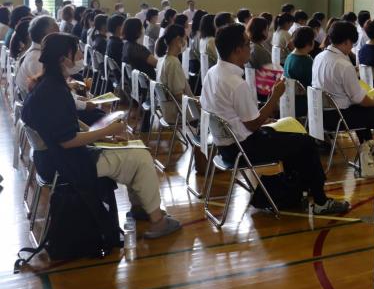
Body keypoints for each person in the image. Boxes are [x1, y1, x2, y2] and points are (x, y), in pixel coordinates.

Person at [22, 33, 181, 238]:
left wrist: (104, 138)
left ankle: (142, 207)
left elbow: (67, 126)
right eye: (76, 51)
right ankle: (157, 220)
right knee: (141, 157)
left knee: (136, 151)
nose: (81, 54)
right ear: (64, 59)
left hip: (52, 158)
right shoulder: (54, 91)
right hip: (66, 163)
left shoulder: (45, 85)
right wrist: (107, 131)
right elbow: (68, 140)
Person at [201, 24, 349, 215]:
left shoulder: (213, 73)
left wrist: (264, 119)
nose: (250, 48)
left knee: (292, 140)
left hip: (225, 145)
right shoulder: (236, 83)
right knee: (306, 143)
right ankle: (320, 201)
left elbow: (237, 117)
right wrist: (274, 96)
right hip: (243, 147)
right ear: (237, 49)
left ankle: (295, 194)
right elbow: (252, 124)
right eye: (247, 44)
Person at [312, 21, 374, 175]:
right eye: (350, 44)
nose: (351, 48)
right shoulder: (343, 64)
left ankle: (369, 148)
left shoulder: (320, 57)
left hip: (320, 115)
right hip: (339, 118)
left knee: (366, 110)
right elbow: (358, 98)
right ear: (346, 41)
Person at [155, 25, 193, 124]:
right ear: (178, 40)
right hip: (176, 112)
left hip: (166, 109)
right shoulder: (173, 62)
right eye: (185, 38)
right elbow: (178, 95)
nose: (186, 42)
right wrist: (196, 104)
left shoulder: (163, 59)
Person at [283, 26, 315, 117]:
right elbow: (313, 85)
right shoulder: (306, 61)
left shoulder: (290, 56)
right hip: (303, 103)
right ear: (309, 42)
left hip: (289, 100)